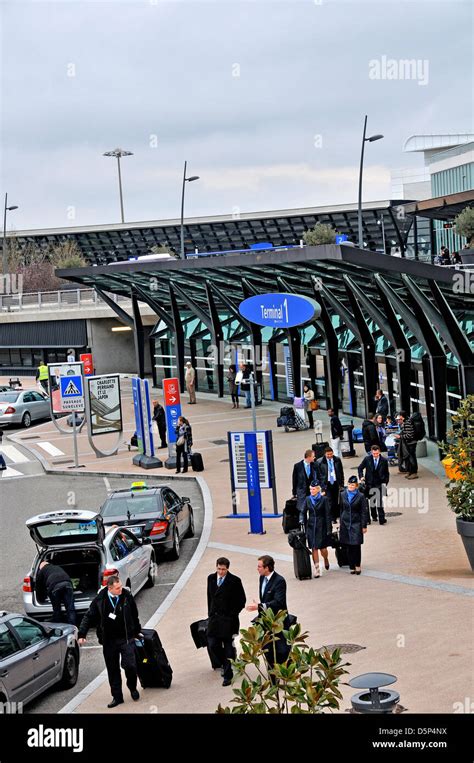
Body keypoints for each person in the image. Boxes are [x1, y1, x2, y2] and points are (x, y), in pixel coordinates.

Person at [78, 575, 142, 708]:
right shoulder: (100, 600)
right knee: (113, 670)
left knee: (130, 665)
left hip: (126, 638)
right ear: (110, 588)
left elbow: (135, 615)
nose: (121, 590)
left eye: (121, 586)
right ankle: (117, 697)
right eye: (117, 588)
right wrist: (82, 633)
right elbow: (89, 616)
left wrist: (136, 631)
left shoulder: (126, 596)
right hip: (109, 641)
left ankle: (132, 687)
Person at [207, 557, 246, 687]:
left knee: (228, 647)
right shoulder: (211, 578)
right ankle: (225, 663)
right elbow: (210, 598)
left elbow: (242, 600)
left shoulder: (235, 581)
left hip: (228, 620)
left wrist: (232, 614)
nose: (221, 572)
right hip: (214, 619)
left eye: (223, 569)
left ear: (227, 568)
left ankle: (228, 675)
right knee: (212, 645)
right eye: (219, 569)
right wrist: (210, 614)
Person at [246, 556, 289, 666]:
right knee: (268, 652)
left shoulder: (279, 581)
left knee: (281, 652)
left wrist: (259, 606)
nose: (257, 569)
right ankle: (273, 680)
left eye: (259, 566)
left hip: (278, 623)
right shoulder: (261, 578)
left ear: (267, 568)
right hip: (266, 623)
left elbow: (279, 602)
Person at [299, 481, 332, 578]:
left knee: (323, 548)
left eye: (313, 489)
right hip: (311, 526)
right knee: (314, 548)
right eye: (310, 489)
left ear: (318, 490)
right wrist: (301, 520)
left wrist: (329, 528)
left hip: (322, 525)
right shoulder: (308, 499)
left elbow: (327, 515)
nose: (311, 491)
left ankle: (325, 558)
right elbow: (303, 511)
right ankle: (317, 569)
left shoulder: (324, 499)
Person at [339, 476, 369, 575]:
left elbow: (364, 512)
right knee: (348, 545)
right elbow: (341, 508)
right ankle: (351, 565)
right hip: (345, 522)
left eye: (352, 485)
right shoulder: (343, 494)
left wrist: (364, 525)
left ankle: (357, 565)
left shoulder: (360, 496)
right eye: (349, 484)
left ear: (356, 486)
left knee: (356, 545)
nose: (350, 486)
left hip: (356, 523)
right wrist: (341, 520)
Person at [358, 444, 390, 525]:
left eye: (377, 453)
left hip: (379, 483)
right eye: (374, 453)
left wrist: (385, 482)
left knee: (379, 502)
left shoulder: (384, 460)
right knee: (372, 501)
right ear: (371, 452)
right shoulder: (367, 459)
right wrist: (361, 477)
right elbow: (360, 468)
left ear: (379, 452)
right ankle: (374, 516)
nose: (375, 455)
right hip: (370, 483)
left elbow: (386, 472)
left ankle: (382, 518)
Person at [316, 445, 345, 523]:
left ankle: (335, 516)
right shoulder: (320, 462)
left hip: (335, 483)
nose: (329, 456)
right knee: (329, 501)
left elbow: (341, 472)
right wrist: (321, 486)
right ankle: (331, 518)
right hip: (326, 484)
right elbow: (319, 475)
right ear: (325, 454)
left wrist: (341, 484)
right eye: (328, 454)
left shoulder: (337, 460)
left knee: (335, 501)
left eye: (331, 454)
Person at [292, 449, 317, 514]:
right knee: (302, 510)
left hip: (312, 491)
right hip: (302, 491)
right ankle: (303, 523)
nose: (314, 458)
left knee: (313, 509)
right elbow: (294, 480)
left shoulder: (314, 465)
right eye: (313, 456)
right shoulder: (297, 466)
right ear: (308, 457)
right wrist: (294, 492)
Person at [394, 411, 418, 479]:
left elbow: (409, 435)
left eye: (399, 416)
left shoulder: (407, 423)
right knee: (410, 457)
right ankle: (410, 472)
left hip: (411, 443)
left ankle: (414, 473)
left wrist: (400, 437)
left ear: (402, 416)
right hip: (410, 443)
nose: (398, 417)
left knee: (411, 457)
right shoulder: (406, 422)